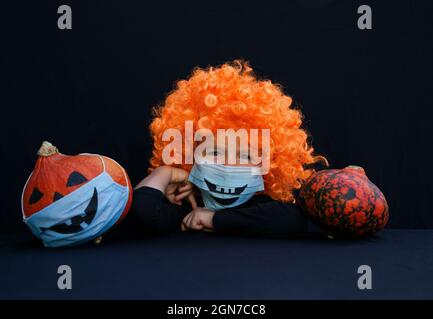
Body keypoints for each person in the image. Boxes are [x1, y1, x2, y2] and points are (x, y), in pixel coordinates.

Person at [130, 61, 326, 237]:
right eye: (214, 152)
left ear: (269, 164)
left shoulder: (263, 207)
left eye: (245, 155)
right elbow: (142, 212)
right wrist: (166, 172)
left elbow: (292, 220)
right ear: (190, 157)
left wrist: (213, 219)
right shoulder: (187, 207)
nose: (228, 164)